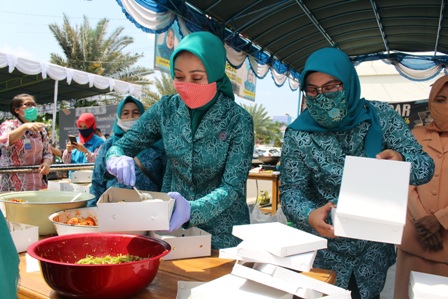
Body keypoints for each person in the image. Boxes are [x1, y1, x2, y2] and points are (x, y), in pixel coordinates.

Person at [279, 47, 435, 299]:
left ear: (348, 83)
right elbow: (290, 191)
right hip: (322, 251)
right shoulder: (299, 134)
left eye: (331, 87)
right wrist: (309, 215)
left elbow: (425, 167)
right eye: (313, 90)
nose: (322, 97)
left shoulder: (381, 117)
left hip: (371, 252)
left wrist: (401, 161)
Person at [105, 31, 254, 249]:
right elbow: (123, 144)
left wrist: (192, 209)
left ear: (215, 74)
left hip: (223, 231)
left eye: (196, 78)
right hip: (173, 228)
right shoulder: (166, 109)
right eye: (179, 76)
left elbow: (232, 187)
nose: (186, 85)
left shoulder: (238, 120)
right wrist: (115, 156)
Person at [394, 75, 448, 298]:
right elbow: (404, 181)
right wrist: (423, 221)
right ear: (430, 101)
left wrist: (440, 220)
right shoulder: (414, 136)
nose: (446, 106)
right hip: (415, 240)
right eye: (441, 99)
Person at [90, 95, 167, 207]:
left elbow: (166, 178)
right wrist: (93, 210)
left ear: (144, 116)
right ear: (118, 117)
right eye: (125, 113)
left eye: (135, 113)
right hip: (114, 208)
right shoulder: (109, 145)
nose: (130, 117)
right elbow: (97, 181)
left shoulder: (157, 144)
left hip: (149, 209)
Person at [0, 93, 53, 191]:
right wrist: (24, 127)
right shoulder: (8, 126)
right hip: (13, 184)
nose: (32, 108)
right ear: (17, 110)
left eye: (33, 105)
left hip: (37, 182)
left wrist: (46, 163)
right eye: (28, 104)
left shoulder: (40, 130)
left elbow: (48, 153)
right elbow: (4, 142)